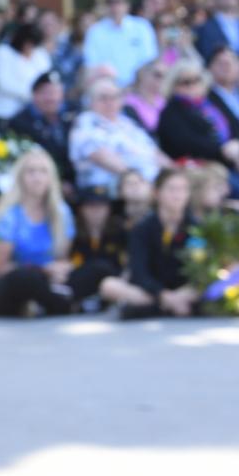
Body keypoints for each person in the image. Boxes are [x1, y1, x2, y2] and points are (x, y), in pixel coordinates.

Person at [0, 149, 86, 317]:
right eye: (31, 172)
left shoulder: (61, 212)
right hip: (8, 285)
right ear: (21, 177)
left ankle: (44, 303)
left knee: (96, 269)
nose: (37, 178)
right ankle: (63, 304)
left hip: (47, 281)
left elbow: (61, 258)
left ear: (51, 178)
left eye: (43, 171)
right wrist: (43, 270)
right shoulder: (8, 215)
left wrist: (59, 270)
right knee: (27, 278)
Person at [101, 169, 199, 319]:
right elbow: (138, 272)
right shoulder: (142, 228)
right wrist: (163, 294)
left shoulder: (197, 228)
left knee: (213, 282)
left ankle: (155, 308)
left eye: (183, 189)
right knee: (109, 285)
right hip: (151, 290)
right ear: (157, 193)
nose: (178, 195)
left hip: (185, 290)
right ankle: (168, 306)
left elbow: (201, 270)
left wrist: (181, 293)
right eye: (172, 189)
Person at [155, 59, 239, 198]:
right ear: (173, 85)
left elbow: (237, 127)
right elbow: (187, 143)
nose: (192, 85)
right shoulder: (171, 113)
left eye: (196, 80)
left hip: (234, 160)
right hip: (204, 168)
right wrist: (222, 150)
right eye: (185, 82)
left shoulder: (212, 101)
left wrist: (238, 144)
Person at [70, 77, 171, 192]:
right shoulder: (86, 122)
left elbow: (154, 152)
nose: (109, 102)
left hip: (148, 181)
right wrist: (141, 180)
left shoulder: (126, 123)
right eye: (103, 98)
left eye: (114, 97)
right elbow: (102, 157)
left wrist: (172, 172)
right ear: (91, 101)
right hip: (110, 188)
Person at [9, 70, 76, 194]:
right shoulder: (20, 122)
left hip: (74, 180)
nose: (52, 98)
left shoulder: (73, 113)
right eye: (46, 93)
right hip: (41, 183)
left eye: (56, 92)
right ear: (35, 95)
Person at [83, 0, 158, 88]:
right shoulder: (95, 32)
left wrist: (133, 87)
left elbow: (149, 62)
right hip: (108, 89)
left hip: (138, 90)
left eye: (119, 1)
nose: (115, 6)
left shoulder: (142, 27)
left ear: (127, 4)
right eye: (111, 1)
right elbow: (92, 66)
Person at [68, 184, 127, 311]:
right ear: (81, 209)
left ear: (109, 209)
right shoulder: (74, 234)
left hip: (113, 283)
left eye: (101, 206)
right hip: (81, 283)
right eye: (90, 206)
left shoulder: (120, 232)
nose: (96, 211)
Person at [0, 22, 51, 123]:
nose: (29, 47)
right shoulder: (3, 52)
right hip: (4, 112)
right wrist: (34, 95)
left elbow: (46, 78)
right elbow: (3, 83)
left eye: (33, 44)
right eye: (27, 43)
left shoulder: (40, 54)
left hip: (32, 114)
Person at [206, 45, 239, 151]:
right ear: (210, 68)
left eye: (231, 62)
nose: (227, 66)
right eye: (221, 63)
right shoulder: (206, 101)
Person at [121, 61, 166, 135]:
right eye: (157, 75)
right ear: (143, 74)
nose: (161, 80)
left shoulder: (163, 101)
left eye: (165, 76)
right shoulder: (129, 102)